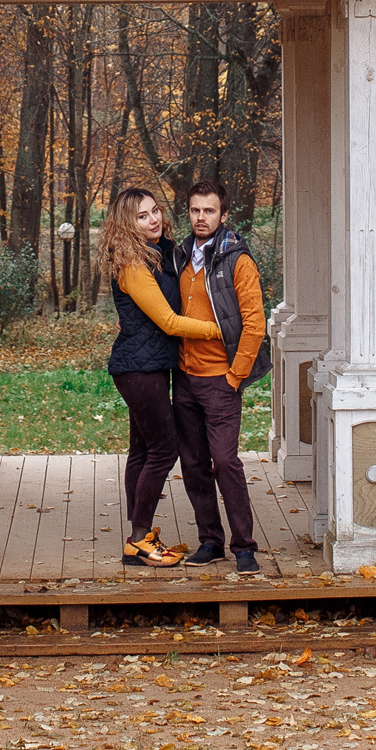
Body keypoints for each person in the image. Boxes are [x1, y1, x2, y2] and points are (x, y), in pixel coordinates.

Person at [102, 186, 223, 568]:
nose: (153, 219)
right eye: (142, 216)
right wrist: (219, 330)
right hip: (140, 369)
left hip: (149, 364)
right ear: (127, 224)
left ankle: (139, 536)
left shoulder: (158, 252)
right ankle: (139, 539)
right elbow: (169, 322)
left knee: (142, 450)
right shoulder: (133, 265)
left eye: (155, 211)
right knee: (163, 450)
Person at [170, 178, 270, 574]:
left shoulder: (237, 260)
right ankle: (210, 541)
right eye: (195, 210)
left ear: (223, 215)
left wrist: (235, 376)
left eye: (209, 210)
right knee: (193, 463)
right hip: (186, 377)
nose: (201, 217)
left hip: (220, 379)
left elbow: (255, 324)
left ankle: (244, 546)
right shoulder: (179, 256)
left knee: (225, 461)